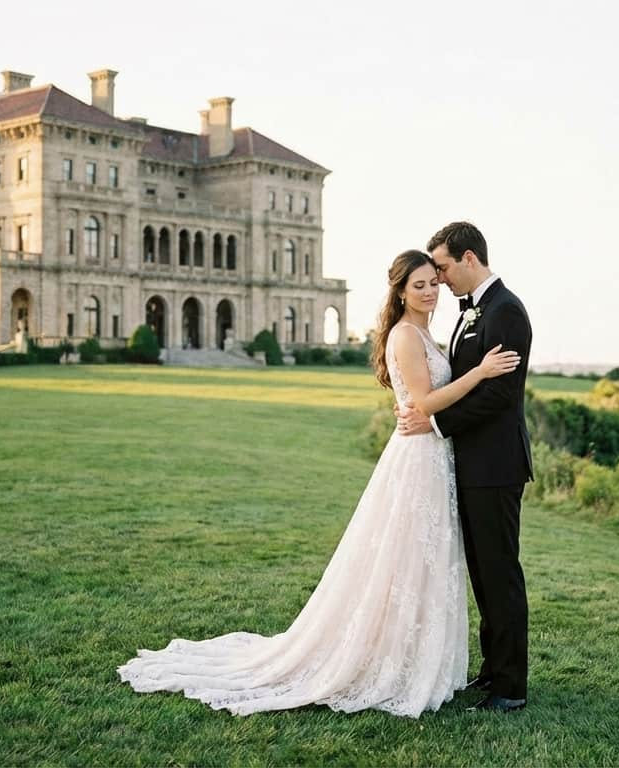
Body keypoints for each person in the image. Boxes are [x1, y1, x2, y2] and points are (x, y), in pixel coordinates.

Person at [116, 249, 519, 718]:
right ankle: (392, 660)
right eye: (420, 285)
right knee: (408, 555)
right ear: (400, 292)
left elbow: (421, 402)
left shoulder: (424, 332)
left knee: (421, 559)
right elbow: (425, 402)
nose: (431, 291)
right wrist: (480, 372)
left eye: (434, 282)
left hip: (432, 454)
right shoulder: (406, 335)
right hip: (419, 457)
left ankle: (416, 658)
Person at [396, 221, 534, 713]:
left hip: (496, 465)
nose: (439, 278)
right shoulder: (472, 310)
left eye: (443, 267)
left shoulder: (505, 310)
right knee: (482, 574)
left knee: (500, 575)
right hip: (469, 466)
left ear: (469, 258)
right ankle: (493, 671)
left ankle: (510, 687)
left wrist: (434, 422)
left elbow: (500, 394)